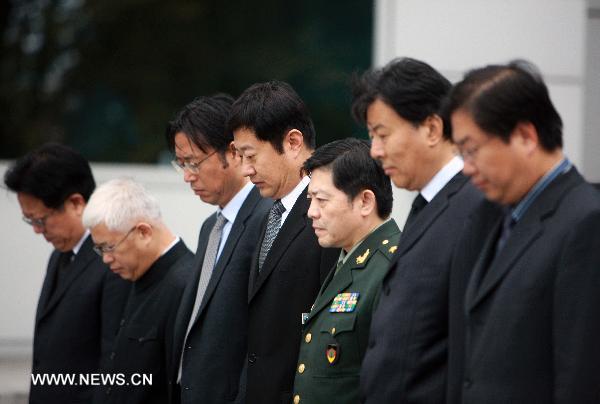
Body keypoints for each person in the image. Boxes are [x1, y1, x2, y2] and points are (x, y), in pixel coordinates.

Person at [444, 60, 600, 403]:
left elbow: (581, 377)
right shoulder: (496, 217)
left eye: (471, 150)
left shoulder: (585, 222)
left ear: (526, 136)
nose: (466, 168)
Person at [351, 57, 483, 403]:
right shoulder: (427, 204)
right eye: (371, 137)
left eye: (382, 134)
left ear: (432, 128)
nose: (375, 151)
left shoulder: (475, 208)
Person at [229, 80, 339, 404]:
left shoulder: (326, 216)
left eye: (251, 155)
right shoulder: (269, 214)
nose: (246, 170)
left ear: (292, 142)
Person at [164, 94, 271, 404]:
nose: (187, 175)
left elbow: (262, 336)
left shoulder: (267, 219)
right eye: (180, 164)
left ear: (234, 152)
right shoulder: (210, 226)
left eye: (193, 162)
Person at [3, 143, 129, 404]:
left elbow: (114, 366)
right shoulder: (60, 255)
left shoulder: (113, 261)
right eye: (30, 220)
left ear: (76, 203)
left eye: (40, 219)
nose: (37, 230)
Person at [292, 138, 400, 403]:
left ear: (365, 201)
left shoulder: (391, 267)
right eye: (310, 199)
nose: (311, 212)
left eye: (321, 200)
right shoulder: (347, 259)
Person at [83, 178, 193, 404]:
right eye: (99, 249)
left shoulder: (185, 285)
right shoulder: (137, 274)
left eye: (109, 247)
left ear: (143, 232)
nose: (105, 259)